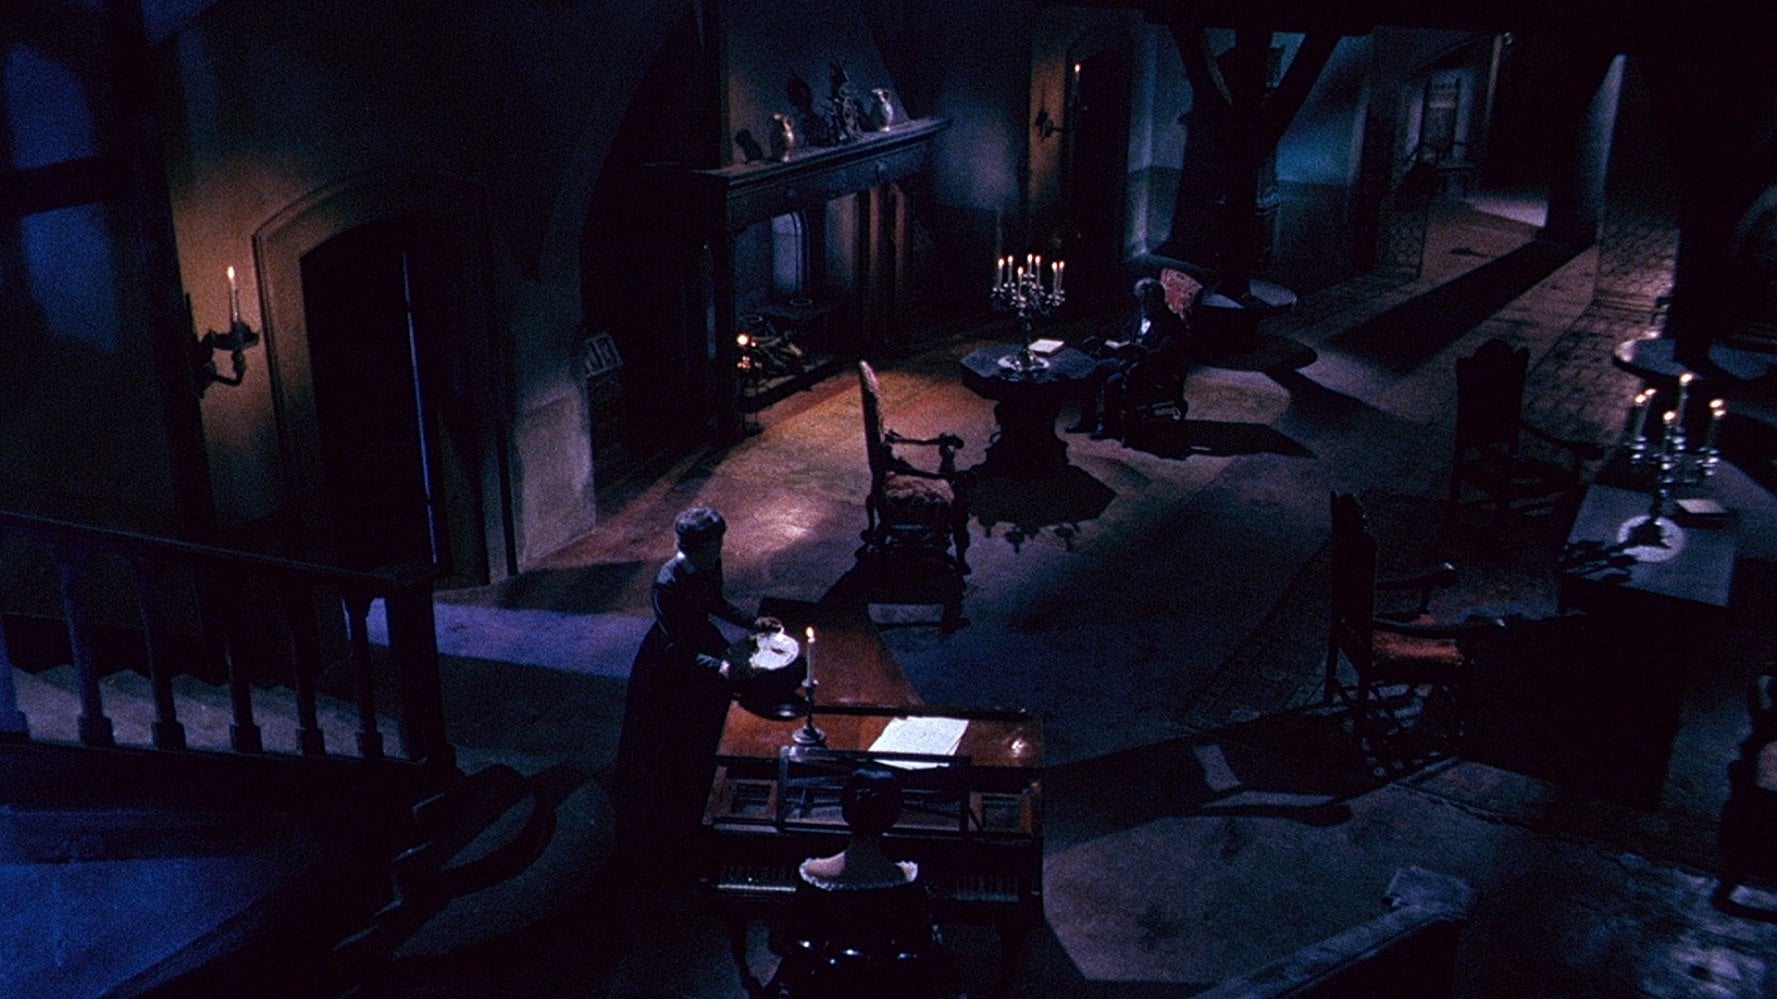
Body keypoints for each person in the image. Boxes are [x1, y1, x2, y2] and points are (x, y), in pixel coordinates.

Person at [610, 506, 778, 869]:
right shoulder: (666, 583)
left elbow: (714, 602)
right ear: (694, 546)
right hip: (670, 664)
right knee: (669, 743)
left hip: (700, 642)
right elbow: (676, 649)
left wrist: (752, 622)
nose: (720, 550)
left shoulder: (709, 563)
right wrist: (720, 667)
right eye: (715, 543)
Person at [769, 767, 957, 998]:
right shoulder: (907, 877)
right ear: (892, 816)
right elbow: (918, 940)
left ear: (846, 811)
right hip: (886, 985)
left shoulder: (812, 872)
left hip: (827, 984)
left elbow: (794, 935)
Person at [1067, 276, 1191, 440]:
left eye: (1147, 302)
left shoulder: (1172, 323)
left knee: (1113, 382)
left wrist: (1141, 352)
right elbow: (1126, 333)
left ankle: (1111, 425)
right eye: (1141, 302)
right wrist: (1117, 344)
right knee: (1094, 370)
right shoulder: (1140, 313)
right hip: (1127, 360)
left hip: (1151, 367)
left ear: (1158, 302)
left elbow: (1168, 352)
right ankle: (1087, 419)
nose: (1143, 306)